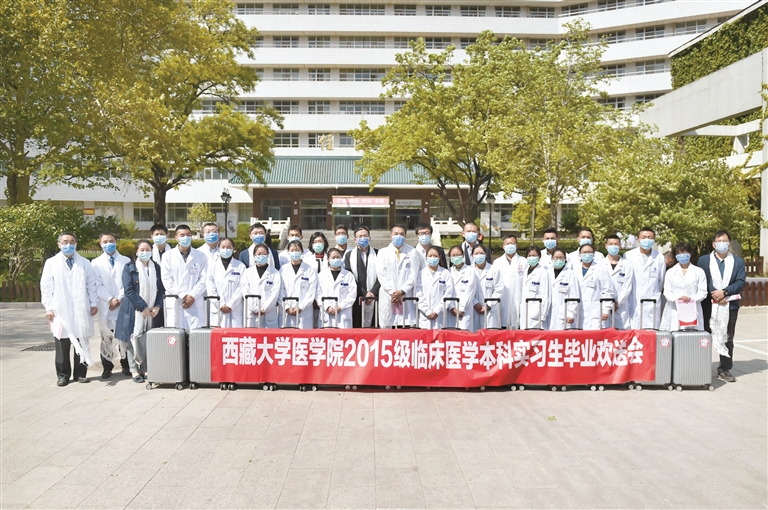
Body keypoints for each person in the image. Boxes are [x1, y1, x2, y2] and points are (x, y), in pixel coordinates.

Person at [40, 232, 99, 386]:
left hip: (81, 309)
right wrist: (49, 307)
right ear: (59, 244)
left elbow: (91, 285)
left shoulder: (84, 263)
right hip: (60, 309)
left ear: (76, 244)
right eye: (65, 242)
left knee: (82, 340)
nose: (69, 245)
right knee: (62, 343)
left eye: (72, 242)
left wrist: (94, 303)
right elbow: (46, 287)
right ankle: (63, 375)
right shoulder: (51, 263)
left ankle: (81, 374)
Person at [698, 230, 746, 383]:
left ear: (729, 244)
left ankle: (724, 368)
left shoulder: (738, 262)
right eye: (719, 241)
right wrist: (715, 294)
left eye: (725, 241)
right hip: (708, 304)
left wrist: (724, 292)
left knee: (727, 337)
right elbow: (702, 279)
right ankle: (702, 366)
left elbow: (740, 281)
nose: (722, 244)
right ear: (714, 244)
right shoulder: (704, 260)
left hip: (729, 305)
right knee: (705, 335)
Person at [114, 240, 163, 383]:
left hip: (152, 311)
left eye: (147, 250)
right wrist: (142, 307)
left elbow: (161, 289)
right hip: (134, 309)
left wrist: (157, 306)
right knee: (133, 338)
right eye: (142, 250)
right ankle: (134, 369)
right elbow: (128, 290)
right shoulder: (129, 268)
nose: (145, 252)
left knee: (148, 339)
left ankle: (145, 368)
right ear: (136, 252)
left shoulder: (156, 268)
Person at [91, 232, 131, 378]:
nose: (109, 244)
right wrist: (109, 299)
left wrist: (118, 298)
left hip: (122, 303)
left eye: (111, 241)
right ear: (100, 244)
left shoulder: (125, 260)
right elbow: (96, 284)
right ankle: (107, 367)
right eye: (105, 241)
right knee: (106, 337)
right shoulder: (95, 263)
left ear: (116, 241)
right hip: (106, 305)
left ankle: (126, 365)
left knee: (124, 336)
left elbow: (127, 283)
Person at [160, 224, 208, 331]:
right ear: (176, 238)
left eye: (188, 235)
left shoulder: (200, 256)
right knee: (175, 336)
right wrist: (183, 296)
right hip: (176, 302)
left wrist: (192, 296)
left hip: (195, 302)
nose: (185, 237)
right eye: (182, 235)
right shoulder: (167, 256)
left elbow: (204, 278)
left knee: (195, 336)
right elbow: (167, 280)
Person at [660, 242, 708, 333]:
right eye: (679, 253)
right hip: (674, 308)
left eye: (685, 253)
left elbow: (703, 291)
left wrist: (691, 299)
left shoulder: (699, 271)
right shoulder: (671, 272)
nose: (682, 255)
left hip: (693, 308)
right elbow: (667, 291)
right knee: (674, 335)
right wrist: (677, 299)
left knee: (692, 336)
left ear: (690, 254)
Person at [376, 224, 418, 328]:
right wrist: (393, 293)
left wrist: (402, 291)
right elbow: (381, 274)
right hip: (388, 295)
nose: (399, 236)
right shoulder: (382, 252)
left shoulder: (412, 252)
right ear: (391, 236)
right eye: (396, 234)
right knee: (388, 326)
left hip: (406, 294)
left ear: (405, 236)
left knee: (406, 326)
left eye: (401, 234)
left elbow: (414, 274)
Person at [625, 227, 666, 329]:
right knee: (634, 333)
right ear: (638, 239)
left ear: (654, 240)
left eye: (650, 237)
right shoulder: (629, 256)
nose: (646, 240)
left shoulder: (659, 257)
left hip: (652, 302)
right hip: (633, 301)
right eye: (644, 237)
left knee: (650, 333)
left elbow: (661, 281)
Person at [344, 226, 380, 328]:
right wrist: (364, 293)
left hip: (375, 296)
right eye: (360, 236)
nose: (363, 238)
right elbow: (349, 276)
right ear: (355, 240)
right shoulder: (349, 255)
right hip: (357, 295)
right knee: (357, 325)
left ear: (370, 238)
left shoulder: (378, 253)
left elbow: (382, 275)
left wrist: (372, 292)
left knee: (374, 325)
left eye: (365, 236)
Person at [205, 237, 245, 328]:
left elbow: (242, 287)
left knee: (234, 334)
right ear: (218, 248)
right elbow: (210, 287)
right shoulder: (212, 266)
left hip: (235, 309)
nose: (226, 249)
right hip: (217, 308)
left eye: (229, 247)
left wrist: (231, 304)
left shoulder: (240, 266)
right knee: (218, 334)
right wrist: (220, 304)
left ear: (233, 249)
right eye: (223, 247)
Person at [279, 240, 318, 329]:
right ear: (288, 252)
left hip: (304, 312)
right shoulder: (283, 269)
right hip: (286, 311)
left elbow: (311, 292)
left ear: (302, 252)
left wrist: (301, 307)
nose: (294, 252)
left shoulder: (309, 270)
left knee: (303, 336)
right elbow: (280, 290)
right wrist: (287, 307)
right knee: (286, 336)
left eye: (297, 250)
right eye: (292, 250)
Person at [575, 243, 615, 330]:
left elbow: (608, 291)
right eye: (584, 252)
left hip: (595, 311)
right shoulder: (574, 269)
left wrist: (605, 309)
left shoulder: (601, 269)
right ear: (579, 254)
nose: (587, 254)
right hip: (578, 309)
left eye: (589, 252)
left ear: (593, 254)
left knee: (594, 335)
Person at [415, 246, 456, 329]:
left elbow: (448, 294)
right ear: (426, 257)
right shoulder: (420, 274)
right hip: (424, 315)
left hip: (440, 315)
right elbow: (418, 294)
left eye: (435, 256)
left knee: (440, 336)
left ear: (440, 257)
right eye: (430, 256)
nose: (432, 258)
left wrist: (437, 311)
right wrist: (427, 311)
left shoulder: (445, 273)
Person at [241, 243, 281, 328]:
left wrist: (264, 308)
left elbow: (275, 293)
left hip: (269, 312)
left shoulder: (275, 273)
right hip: (252, 312)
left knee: (269, 336)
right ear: (254, 255)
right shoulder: (247, 273)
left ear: (268, 255)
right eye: (259, 254)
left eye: (264, 254)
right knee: (251, 334)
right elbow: (246, 291)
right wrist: (255, 308)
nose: (261, 256)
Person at [316, 248, 357, 328]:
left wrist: (340, 307)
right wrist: (327, 307)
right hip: (326, 314)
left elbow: (352, 294)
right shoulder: (321, 275)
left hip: (343, 313)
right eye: (333, 257)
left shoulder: (348, 275)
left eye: (338, 257)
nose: (336, 259)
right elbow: (318, 294)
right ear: (328, 259)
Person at [492, 235, 526, 330]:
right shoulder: (497, 262)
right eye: (507, 244)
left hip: (519, 299)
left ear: (517, 246)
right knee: (502, 326)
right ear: (503, 246)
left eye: (512, 243)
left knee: (518, 327)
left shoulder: (524, 262)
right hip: (503, 299)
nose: (510, 246)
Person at [601, 234, 635, 329]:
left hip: (621, 306)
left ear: (620, 246)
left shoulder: (626, 265)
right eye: (610, 244)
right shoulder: (600, 264)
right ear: (606, 246)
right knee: (604, 332)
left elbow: (627, 287)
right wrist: (608, 304)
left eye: (616, 244)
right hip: (603, 305)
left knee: (621, 333)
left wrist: (617, 303)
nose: (613, 246)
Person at [471, 244, 504, 329]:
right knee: (474, 335)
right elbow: (467, 290)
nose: (479, 256)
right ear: (472, 255)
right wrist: (475, 303)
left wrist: (488, 305)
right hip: (473, 310)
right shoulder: (468, 271)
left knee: (491, 335)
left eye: (481, 253)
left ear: (486, 254)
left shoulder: (494, 270)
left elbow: (499, 290)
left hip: (491, 311)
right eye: (476, 253)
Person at [547, 248, 580, 330]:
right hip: (549, 312)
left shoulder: (570, 274)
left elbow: (574, 295)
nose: (558, 260)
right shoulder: (547, 273)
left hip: (564, 313)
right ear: (552, 259)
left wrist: (571, 313)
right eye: (556, 257)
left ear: (565, 259)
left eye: (561, 258)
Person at [519, 246, 551, 329]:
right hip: (525, 310)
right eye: (529, 256)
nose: (531, 258)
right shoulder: (525, 271)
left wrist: (543, 315)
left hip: (537, 313)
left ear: (539, 257)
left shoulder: (543, 272)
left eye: (534, 255)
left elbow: (546, 295)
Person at [448, 245, 478, 331]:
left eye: (458, 255)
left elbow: (470, 291)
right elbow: (446, 292)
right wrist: (451, 307)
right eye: (453, 255)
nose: (456, 257)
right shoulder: (448, 272)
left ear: (463, 255)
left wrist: (462, 309)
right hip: (451, 310)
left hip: (465, 310)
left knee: (465, 333)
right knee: (451, 334)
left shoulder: (470, 271)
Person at [149, 224, 170, 327]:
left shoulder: (173, 252)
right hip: (154, 290)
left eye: (162, 234)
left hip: (170, 289)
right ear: (151, 236)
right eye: (156, 234)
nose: (159, 236)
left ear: (167, 235)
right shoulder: (148, 252)